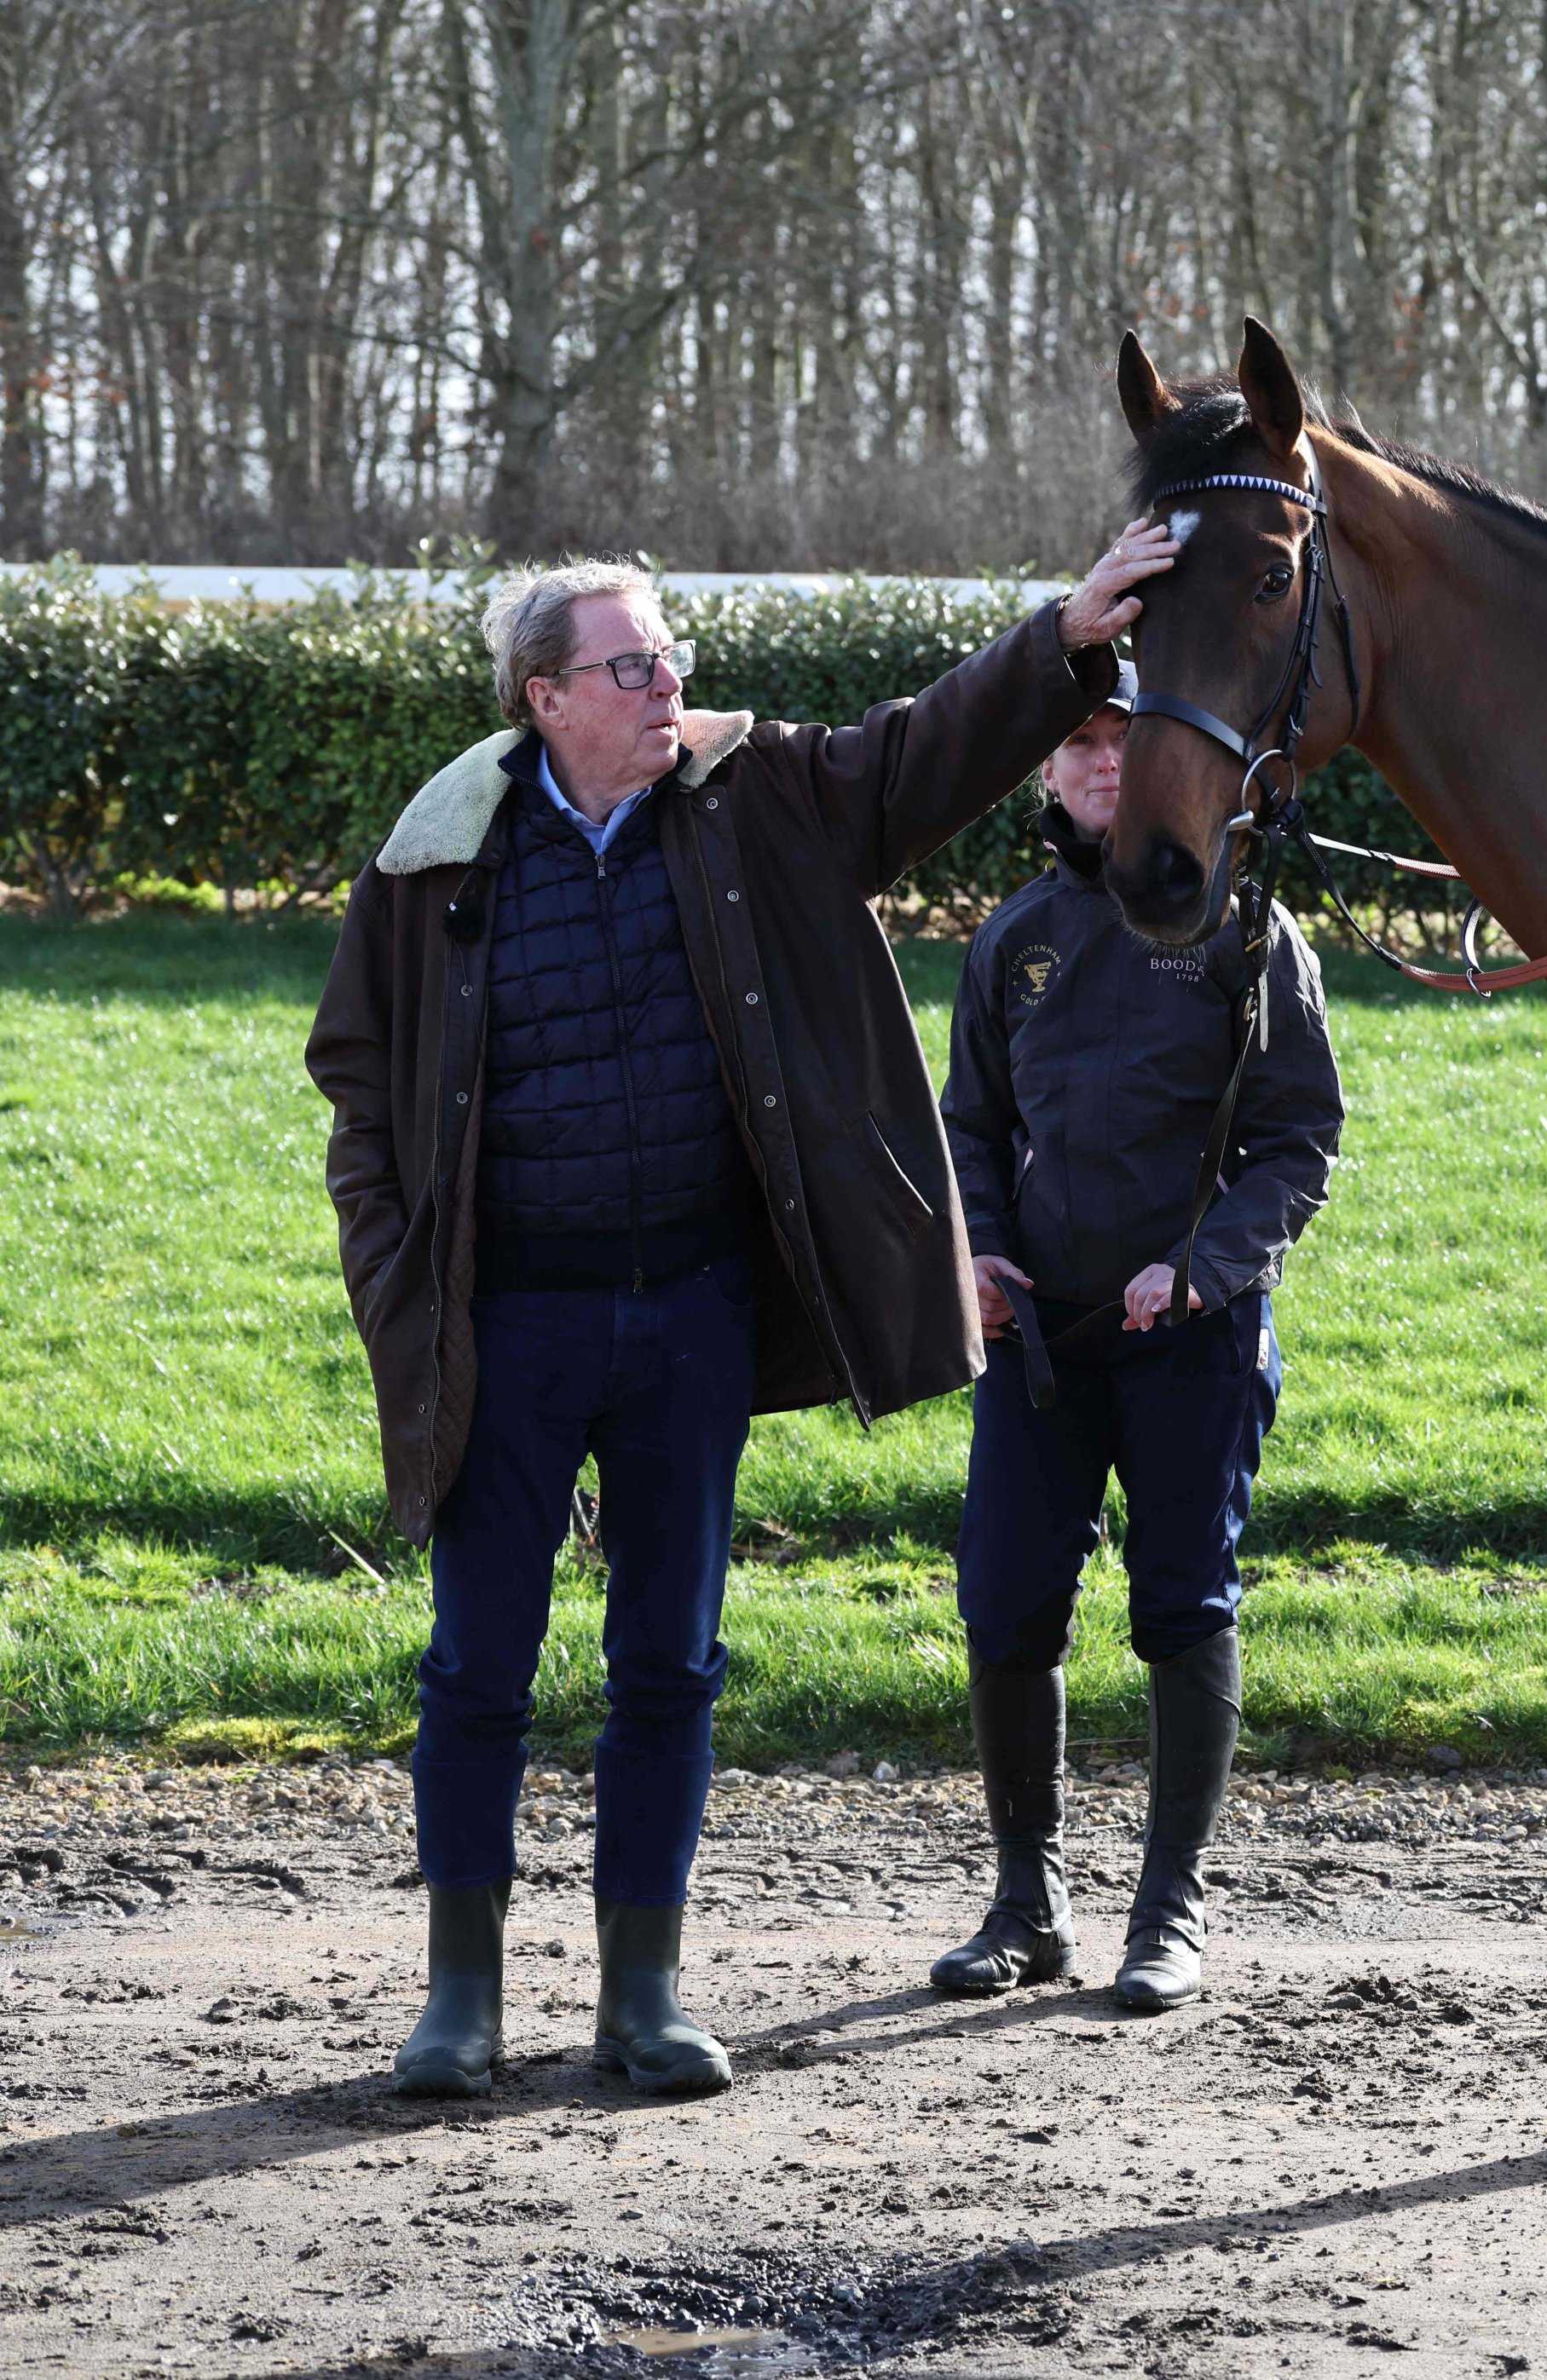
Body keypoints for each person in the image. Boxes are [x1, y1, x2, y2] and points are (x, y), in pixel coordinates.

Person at [307, 518, 1183, 2099]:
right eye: (633, 665)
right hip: (506, 1325)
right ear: (544, 695)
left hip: (692, 1316)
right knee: (474, 1668)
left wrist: (1067, 638)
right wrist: (395, 1279)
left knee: (672, 1663)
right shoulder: (438, 853)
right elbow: (357, 1085)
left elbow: (920, 756)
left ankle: (643, 1998)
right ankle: (461, 2002)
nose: (670, 685)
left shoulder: (751, 795)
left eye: (672, 655)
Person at [928, 660, 1342, 2012]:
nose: (1104, 762)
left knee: (1180, 1606)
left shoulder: (1247, 933)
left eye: (1125, 738)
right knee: (1002, 1608)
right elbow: (970, 1130)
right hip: (1039, 1346)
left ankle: (1171, 1907)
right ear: (1047, 772)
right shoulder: (1013, 938)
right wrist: (977, 1247)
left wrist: (1206, 1268)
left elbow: (1297, 1142)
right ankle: (1025, 1901)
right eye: (1079, 744)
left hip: (1194, 1341)